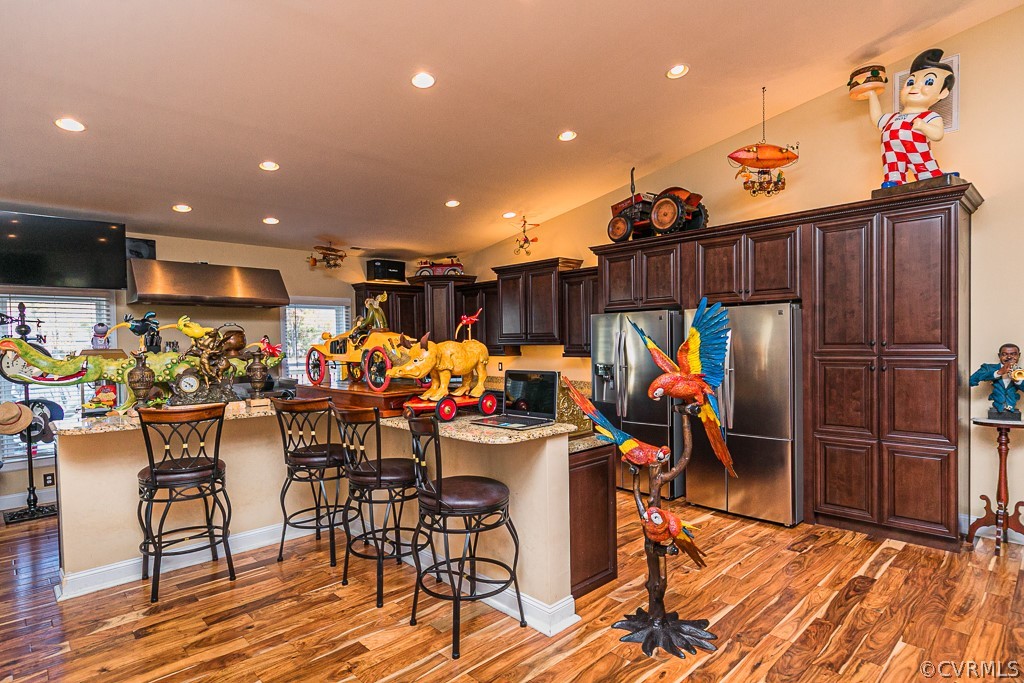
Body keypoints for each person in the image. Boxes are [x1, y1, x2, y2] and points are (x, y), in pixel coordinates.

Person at [862, 48, 954, 188]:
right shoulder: (892, 118)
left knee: (923, 165)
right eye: (910, 82)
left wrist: (923, 126)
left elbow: (937, 134)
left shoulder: (929, 116)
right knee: (892, 163)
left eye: (928, 82)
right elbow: (877, 118)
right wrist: (872, 95)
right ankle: (895, 179)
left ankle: (932, 176)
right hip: (892, 153)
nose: (915, 86)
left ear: (942, 93)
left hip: (916, 151)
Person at [970, 343, 1024, 417]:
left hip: (1012, 409)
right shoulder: (989, 368)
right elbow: (971, 381)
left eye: (1013, 354)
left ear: (1019, 355)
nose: (1009, 357)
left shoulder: (1021, 372)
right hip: (996, 408)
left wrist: (1018, 381)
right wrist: (998, 373)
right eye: (1004, 354)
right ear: (999, 356)